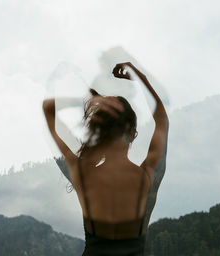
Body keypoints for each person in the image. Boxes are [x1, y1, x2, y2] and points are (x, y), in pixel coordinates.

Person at [43, 62, 169, 256]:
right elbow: (161, 119)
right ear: (133, 133)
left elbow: (49, 115)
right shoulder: (148, 176)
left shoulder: (83, 175)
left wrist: (68, 91)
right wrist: (138, 78)